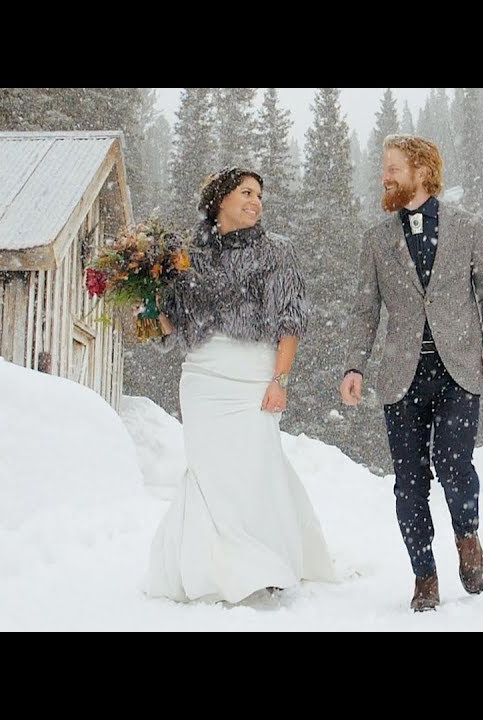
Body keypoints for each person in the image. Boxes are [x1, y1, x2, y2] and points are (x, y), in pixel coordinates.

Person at [144, 167, 335, 605]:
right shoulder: (187, 256)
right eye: (246, 192)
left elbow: (292, 322)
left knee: (255, 466)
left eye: (259, 195)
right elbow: (170, 328)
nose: (256, 201)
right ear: (220, 200)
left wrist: (280, 380)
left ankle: (266, 559)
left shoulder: (276, 253)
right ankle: (213, 567)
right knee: (209, 472)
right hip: (201, 375)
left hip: (252, 371)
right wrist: (147, 303)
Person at [339, 134, 483, 612]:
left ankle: (467, 536)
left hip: (457, 370)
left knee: (454, 466)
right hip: (401, 376)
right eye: (384, 168)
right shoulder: (376, 239)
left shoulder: (469, 227)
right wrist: (355, 364)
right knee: (409, 482)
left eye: (392, 167)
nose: (384, 176)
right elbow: (364, 311)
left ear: (421, 171)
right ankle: (424, 574)